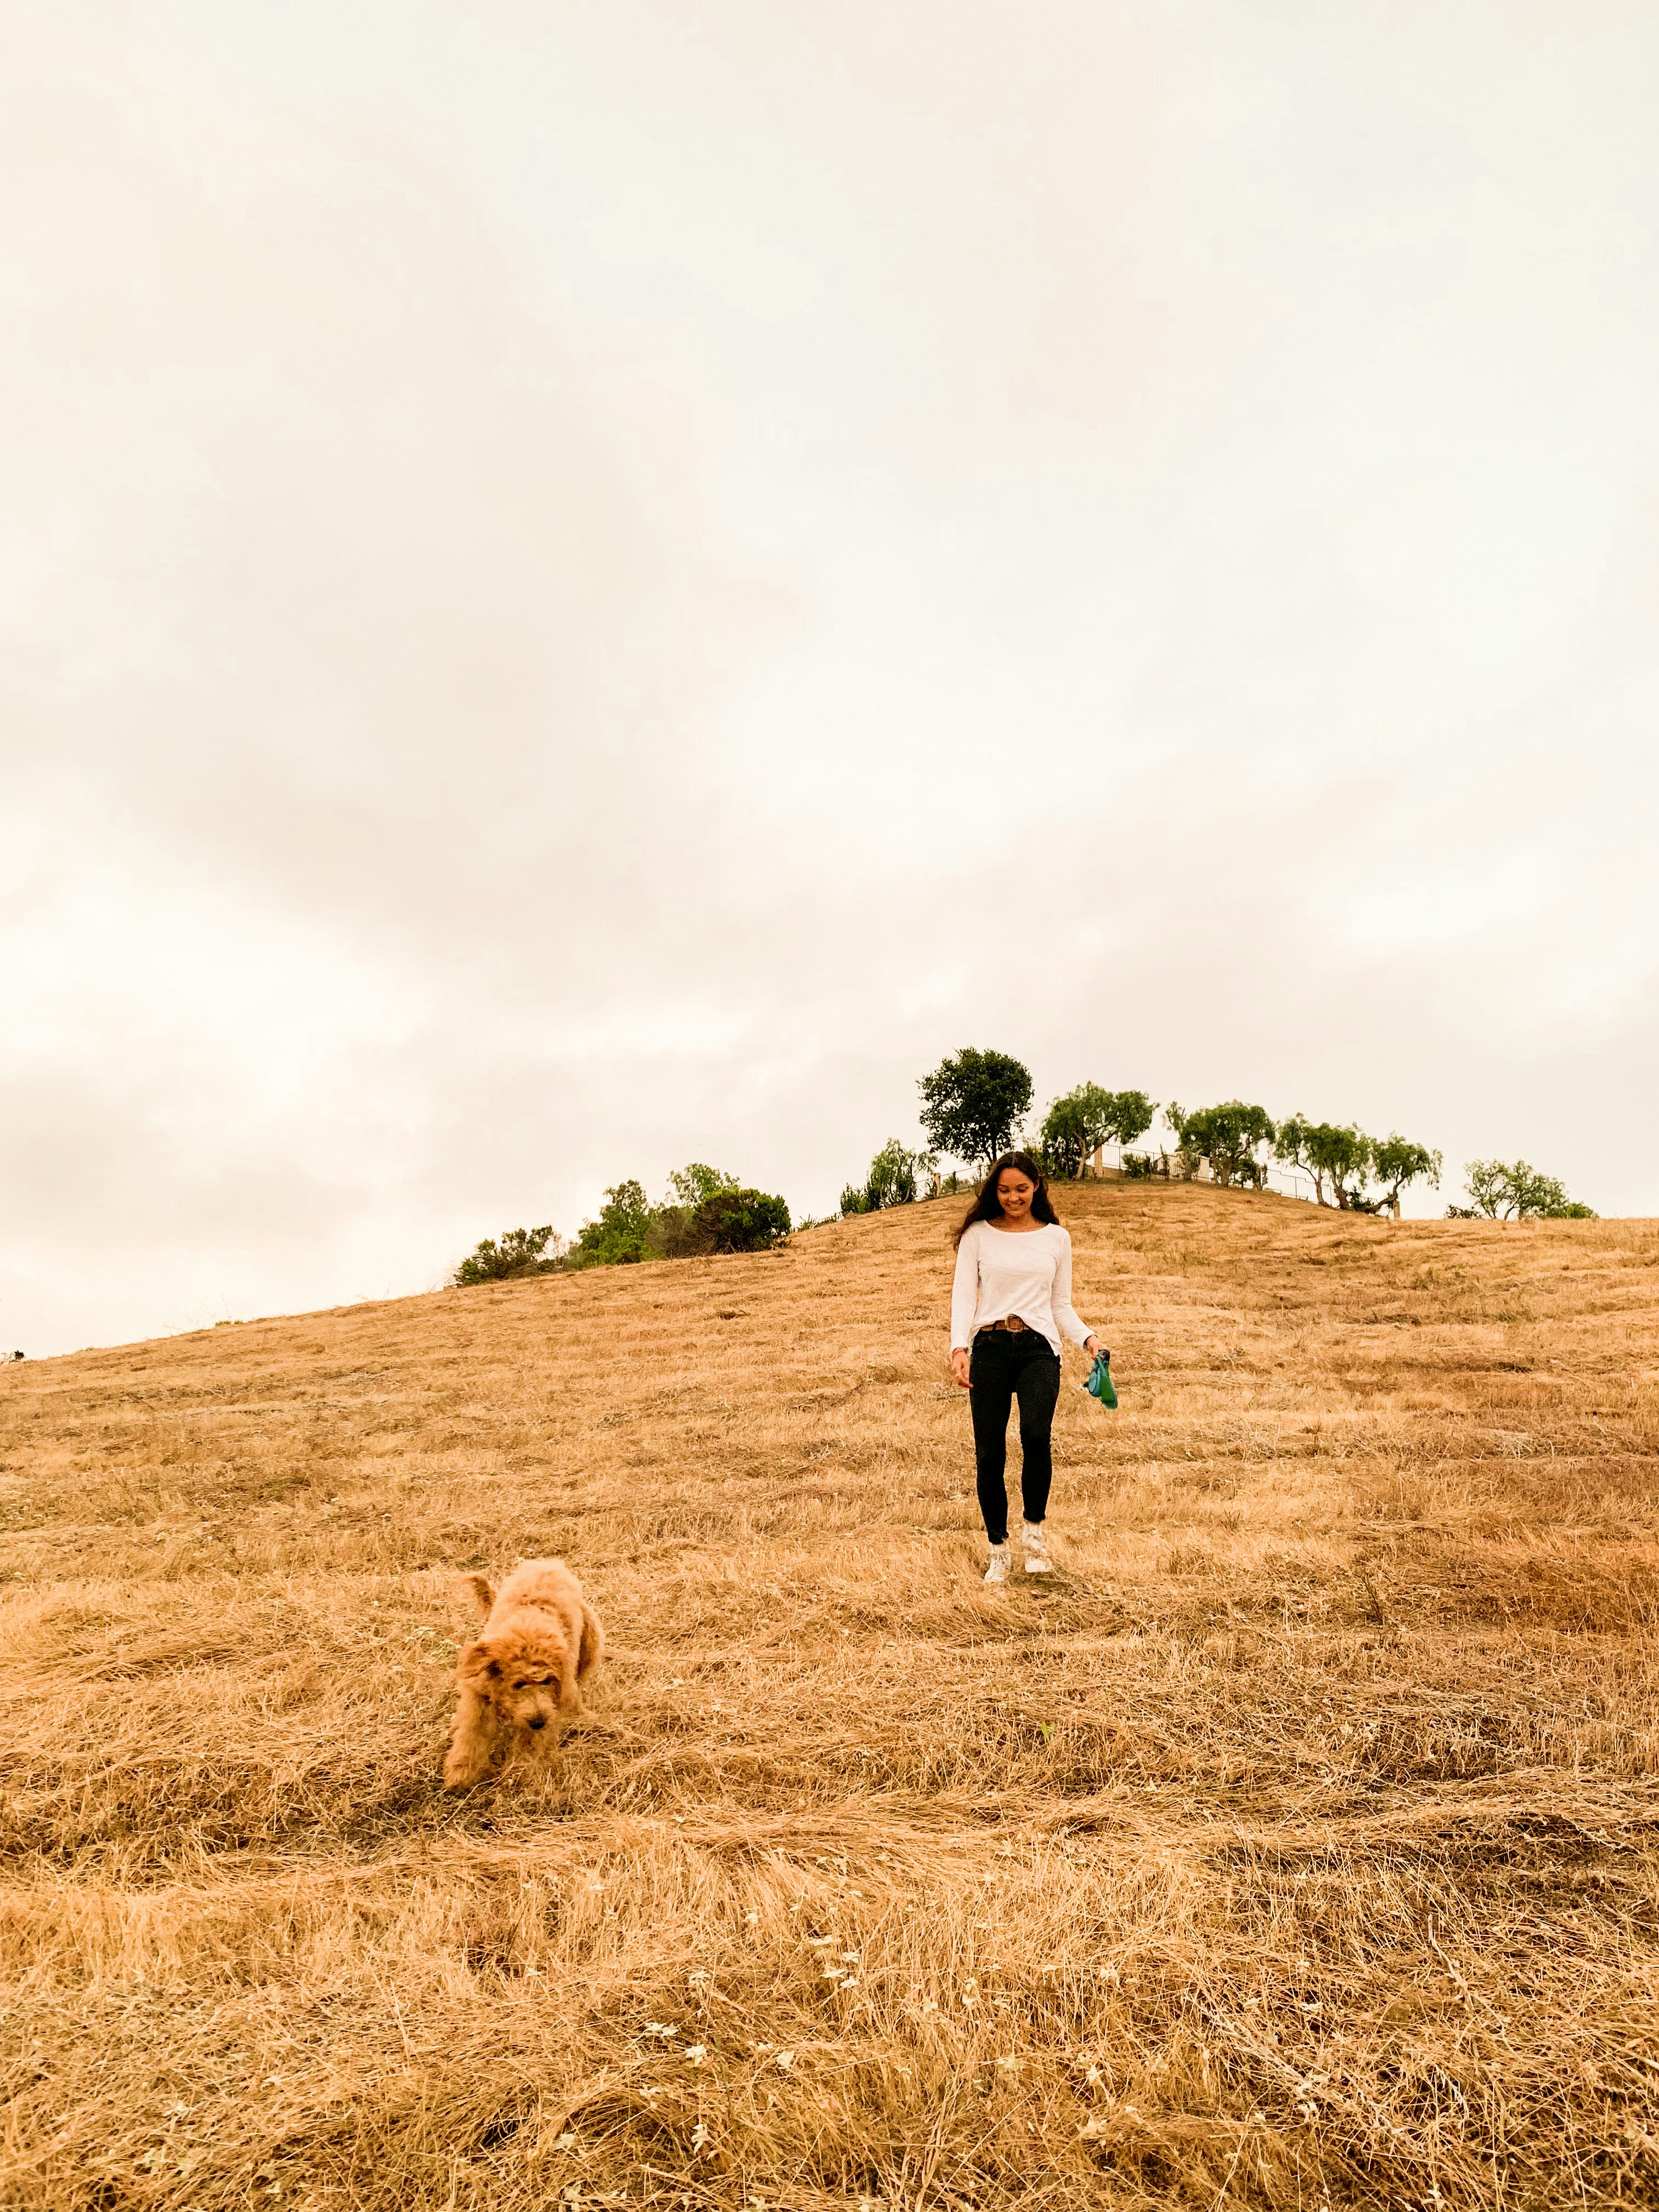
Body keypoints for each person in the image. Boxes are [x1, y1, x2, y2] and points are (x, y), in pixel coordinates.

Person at [950, 1150, 1102, 1584]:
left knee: (1036, 1437)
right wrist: (959, 1349)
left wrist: (1088, 1338)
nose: (1013, 1197)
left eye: (1021, 1188)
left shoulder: (1057, 1238)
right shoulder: (977, 1235)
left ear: (1036, 1186)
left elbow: (1060, 1304)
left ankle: (1034, 1538)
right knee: (989, 1454)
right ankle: (999, 1549)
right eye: (1003, 1190)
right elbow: (963, 1296)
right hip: (991, 1347)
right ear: (992, 1191)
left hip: (1039, 1348)